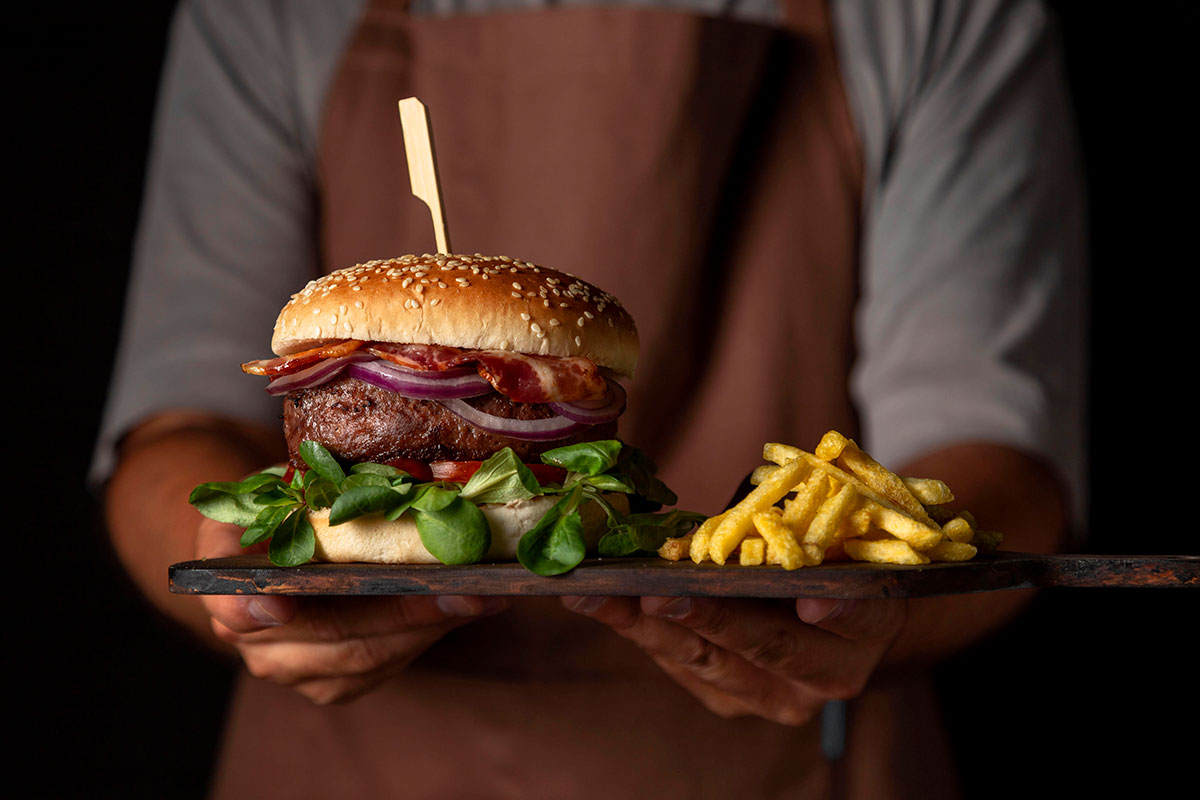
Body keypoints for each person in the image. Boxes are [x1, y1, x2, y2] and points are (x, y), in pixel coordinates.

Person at [93, 0, 1085, 797]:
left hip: (786, 760)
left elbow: (999, 453)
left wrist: (872, 607)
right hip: (344, 762)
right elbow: (176, 418)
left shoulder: (941, 13)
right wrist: (238, 575)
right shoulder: (264, 12)